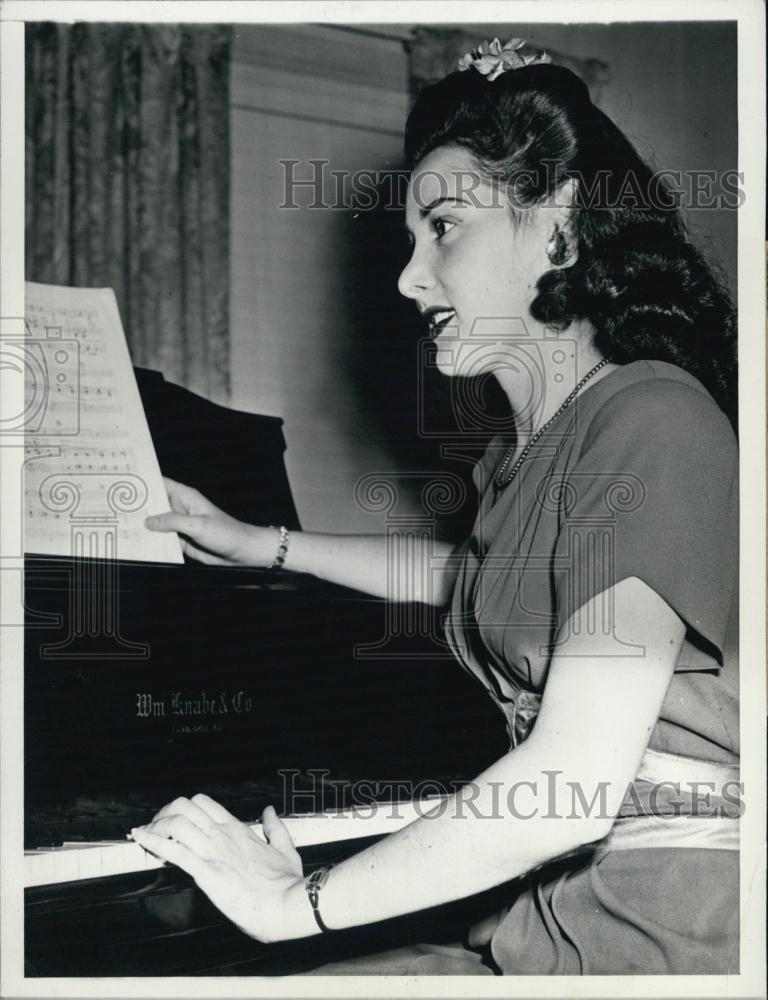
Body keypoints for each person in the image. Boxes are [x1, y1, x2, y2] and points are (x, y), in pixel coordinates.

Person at [136, 39, 739, 975]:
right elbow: (474, 575)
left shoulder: (653, 417)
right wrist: (266, 544)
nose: (409, 278)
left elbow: (573, 785)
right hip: (540, 923)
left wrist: (296, 902)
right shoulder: (535, 447)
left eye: (444, 228)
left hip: (660, 936)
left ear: (561, 226)